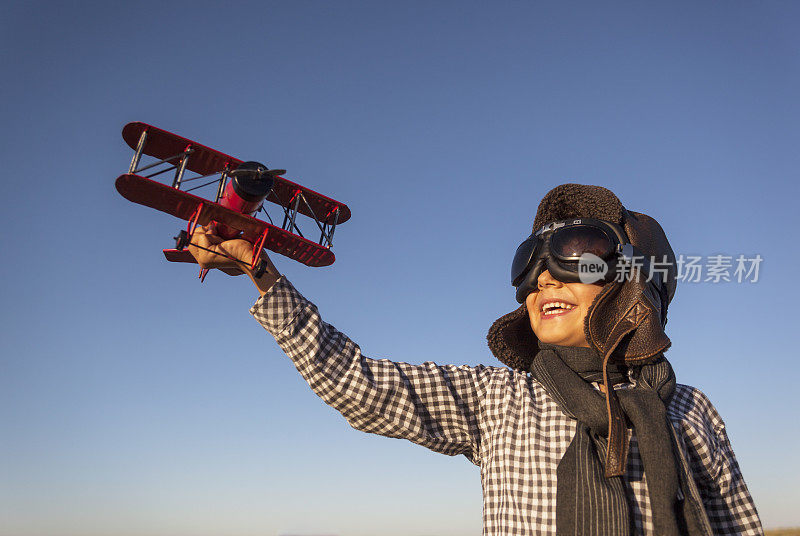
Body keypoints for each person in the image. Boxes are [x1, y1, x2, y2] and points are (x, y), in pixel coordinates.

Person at [188, 184, 763, 536]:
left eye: (576, 253)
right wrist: (262, 275)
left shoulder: (691, 411)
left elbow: (737, 525)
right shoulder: (500, 401)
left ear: (636, 281)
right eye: (529, 263)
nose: (542, 278)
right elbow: (356, 385)